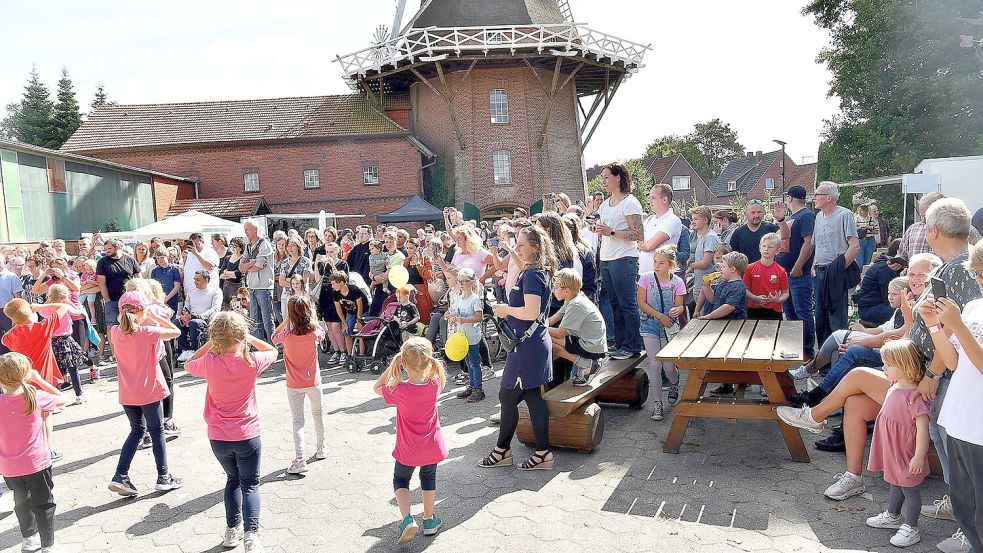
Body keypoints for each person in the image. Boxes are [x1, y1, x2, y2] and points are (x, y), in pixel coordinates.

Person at [185, 312, 278, 553]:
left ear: (215, 337)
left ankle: (230, 531)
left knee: (232, 480)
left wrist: (212, 343)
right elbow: (274, 351)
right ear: (241, 335)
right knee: (250, 484)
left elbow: (188, 363)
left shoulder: (209, 362)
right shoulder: (251, 362)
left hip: (218, 437)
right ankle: (251, 536)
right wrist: (250, 338)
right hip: (248, 434)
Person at [921, 245, 983, 553]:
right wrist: (934, 324)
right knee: (965, 506)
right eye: (976, 274)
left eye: (982, 274)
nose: (979, 281)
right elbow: (954, 361)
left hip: (980, 429)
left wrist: (956, 324)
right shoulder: (973, 307)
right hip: (959, 421)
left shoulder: (966, 314)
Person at [482, 226, 556, 471]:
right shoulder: (534, 271)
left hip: (527, 346)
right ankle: (541, 453)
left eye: (521, 244)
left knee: (508, 395)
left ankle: (504, 450)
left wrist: (505, 310)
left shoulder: (534, 275)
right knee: (531, 396)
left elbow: (531, 312)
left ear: (535, 247)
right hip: (531, 344)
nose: (517, 248)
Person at [788, 276, 912, 407]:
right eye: (889, 293)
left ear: (906, 294)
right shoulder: (899, 310)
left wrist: (862, 341)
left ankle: (817, 394)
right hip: (888, 350)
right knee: (842, 341)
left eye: (895, 294)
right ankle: (826, 395)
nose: (890, 297)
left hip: (896, 357)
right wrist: (864, 332)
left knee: (853, 350)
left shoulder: (910, 310)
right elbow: (884, 329)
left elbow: (894, 335)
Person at [107, 291, 183, 497]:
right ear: (141, 312)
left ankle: (120, 475)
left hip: (128, 393)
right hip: (149, 391)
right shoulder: (147, 331)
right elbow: (175, 331)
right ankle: (163, 476)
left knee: (136, 431)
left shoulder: (115, 332)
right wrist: (153, 315)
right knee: (157, 431)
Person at [372, 337, 448, 544]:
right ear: (429, 361)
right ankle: (429, 521)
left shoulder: (400, 390)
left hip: (408, 449)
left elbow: (377, 387)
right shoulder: (435, 384)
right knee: (428, 477)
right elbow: (434, 375)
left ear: (403, 362)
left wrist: (393, 366)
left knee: (401, 480)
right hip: (431, 446)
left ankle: (407, 520)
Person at [863, 340, 931, 548]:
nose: (883, 368)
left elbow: (922, 428)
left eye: (887, 364)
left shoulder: (914, 397)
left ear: (904, 366)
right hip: (892, 447)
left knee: (909, 488)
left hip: (905, 450)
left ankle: (912, 527)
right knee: (895, 481)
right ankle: (892, 516)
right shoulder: (895, 385)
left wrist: (919, 455)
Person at [0, 352, 65, 553]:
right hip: (37, 463)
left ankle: (29, 539)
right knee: (44, 504)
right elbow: (61, 398)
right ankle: (48, 545)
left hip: (10, 467)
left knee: (21, 502)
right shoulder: (36, 396)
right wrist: (38, 379)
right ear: (27, 374)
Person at [591, 163, 644, 360]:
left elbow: (638, 233)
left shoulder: (630, 202)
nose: (603, 181)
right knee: (614, 303)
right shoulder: (605, 204)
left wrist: (612, 232)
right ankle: (621, 343)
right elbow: (606, 230)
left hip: (624, 258)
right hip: (606, 257)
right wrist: (597, 230)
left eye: (606, 177)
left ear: (618, 178)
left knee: (627, 303)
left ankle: (632, 346)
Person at [272, 296, 327, 475]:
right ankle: (321, 448)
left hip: (294, 384)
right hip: (314, 382)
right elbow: (322, 333)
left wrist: (287, 320)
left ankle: (300, 458)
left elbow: (273, 337)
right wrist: (311, 317)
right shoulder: (314, 333)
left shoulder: (286, 337)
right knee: (318, 414)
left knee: (298, 421)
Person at [636, 245, 684, 421]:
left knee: (669, 367)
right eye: (655, 261)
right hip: (649, 325)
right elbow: (641, 302)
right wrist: (659, 316)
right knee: (654, 365)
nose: (656, 265)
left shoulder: (677, 282)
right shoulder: (646, 279)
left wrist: (677, 310)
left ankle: (674, 383)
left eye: (661, 263)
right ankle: (657, 403)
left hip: (669, 327)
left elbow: (680, 305)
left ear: (670, 264)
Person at [812, 182, 861, 347]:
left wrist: (838, 269)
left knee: (836, 316)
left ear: (828, 197)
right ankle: (824, 362)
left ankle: (839, 361)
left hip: (835, 271)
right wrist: (813, 265)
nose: (814, 198)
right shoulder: (818, 217)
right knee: (820, 316)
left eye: (817, 194)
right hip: (819, 272)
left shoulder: (844, 215)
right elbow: (817, 244)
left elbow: (854, 246)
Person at [548, 268, 607, 387]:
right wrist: (534, 323)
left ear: (566, 291)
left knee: (548, 340)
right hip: (591, 342)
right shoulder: (573, 298)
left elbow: (559, 333)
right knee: (549, 341)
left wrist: (537, 328)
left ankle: (586, 364)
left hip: (592, 346)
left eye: (556, 287)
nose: (553, 290)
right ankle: (585, 364)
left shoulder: (576, 305)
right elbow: (552, 320)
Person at [778, 185, 817, 359]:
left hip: (798, 274)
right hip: (786, 273)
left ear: (790, 198)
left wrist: (799, 266)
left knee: (803, 312)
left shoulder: (806, 215)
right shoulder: (792, 217)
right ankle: (796, 347)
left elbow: (809, 242)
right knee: (791, 312)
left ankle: (807, 351)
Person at [36, 285, 87, 405]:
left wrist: (48, 301)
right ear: (64, 297)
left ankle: (56, 398)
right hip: (66, 340)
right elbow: (78, 312)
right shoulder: (65, 308)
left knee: (57, 371)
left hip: (52, 342)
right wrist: (69, 302)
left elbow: (41, 311)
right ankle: (79, 394)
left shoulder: (47, 310)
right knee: (73, 368)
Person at [448, 268, 485, 403]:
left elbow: (479, 317)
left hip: (472, 336)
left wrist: (465, 320)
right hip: (463, 337)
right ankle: (472, 385)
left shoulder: (474, 299)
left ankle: (478, 388)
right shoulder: (460, 298)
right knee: (468, 363)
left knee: (474, 363)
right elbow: (456, 312)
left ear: (471, 282)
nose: (461, 284)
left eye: (464, 281)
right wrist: (451, 316)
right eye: (459, 281)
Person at [239, 220, 276, 343]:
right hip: (252, 287)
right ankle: (259, 346)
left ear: (255, 229)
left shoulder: (264, 244)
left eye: (247, 229)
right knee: (254, 320)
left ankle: (272, 345)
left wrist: (250, 265)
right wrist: (252, 263)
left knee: (267, 319)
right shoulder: (249, 246)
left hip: (263, 287)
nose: (246, 232)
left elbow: (259, 266)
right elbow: (241, 267)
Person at [312, 242, 349, 364]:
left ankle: (344, 352)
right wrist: (317, 264)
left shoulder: (342, 264)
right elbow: (318, 280)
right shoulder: (324, 264)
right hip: (325, 296)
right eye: (327, 252)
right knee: (329, 327)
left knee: (336, 327)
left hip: (337, 297)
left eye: (331, 252)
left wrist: (333, 266)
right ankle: (336, 351)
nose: (329, 254)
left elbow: (342, 280)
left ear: (337, 251)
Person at [95, 239, 141, 336]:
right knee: (112, 327)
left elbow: (138, 278)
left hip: (129, 300)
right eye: (106, 249)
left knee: (132, 325)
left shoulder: (129, 259)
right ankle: (115, 351)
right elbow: (101, 282)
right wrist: (107, 300)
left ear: (118, 247)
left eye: (110, 248)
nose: (107, 251)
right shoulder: (102, 262)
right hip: (112, 300)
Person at [637, 184, 682, 280]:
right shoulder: (649, 219)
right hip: (643, 273)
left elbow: (649, 246)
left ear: (665, 199)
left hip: (661, 276)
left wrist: (639, 243)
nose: (650, 201)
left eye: (653, 198)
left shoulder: (672, 220)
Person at [175, 271, 223, 363]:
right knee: (177, 322)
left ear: (206, 280)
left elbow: (215, 309)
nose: (195, 282)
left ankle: (195, 351)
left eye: (197, 279)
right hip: (190, 318)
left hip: (206, 320)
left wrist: (198, 316)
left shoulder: (216, 291)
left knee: (194, 323)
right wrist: (185, 315)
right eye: (194, 279)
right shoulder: (191, 292)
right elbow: (186, 307)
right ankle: (185, 350)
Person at [856, 239, 903, 325]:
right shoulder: (886, 269)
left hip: (869, 307)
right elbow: (888, 298)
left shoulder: (882, 264)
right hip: (871, 309)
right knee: (903, 313)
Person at [743, 233, 789, 320]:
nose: (766, 249)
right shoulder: (750, 268)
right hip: (753, 309)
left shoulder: (781, 271)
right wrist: (754, 298)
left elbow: (786, 293)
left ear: (777, 250)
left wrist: (778, 299)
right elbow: (745, 289)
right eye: (764, 246)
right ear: (759, 247)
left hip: (774, 310)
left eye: (770, 247)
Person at [685, 206, 719, 309]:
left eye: (696, 219)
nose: (693, 222)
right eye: (692, 219)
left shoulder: (710, 238)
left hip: (707, 286)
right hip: (699, 284)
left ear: (705, 220)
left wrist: (689, 266)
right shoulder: (701, 236)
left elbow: (705, 263)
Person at [697, 252, 748, 321]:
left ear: (732, 269)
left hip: (734, 324)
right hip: (720, 322)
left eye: (724, 267)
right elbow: (714, 300)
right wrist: (707, 287)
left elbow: (729, 307)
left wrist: (709, 316)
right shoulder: (722, 281)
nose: (721, 269)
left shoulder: (738, 286)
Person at [331, 272, 369, 362]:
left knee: (361, 332)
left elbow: (360, 305)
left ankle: (361, 355)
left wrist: (359, 319)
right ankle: (350, 355)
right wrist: (344, 322)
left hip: (362, 311)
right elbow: (338, 309)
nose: (332, 286)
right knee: (347, 332)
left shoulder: (354, 290)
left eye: (333, 283)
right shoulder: (336, 293)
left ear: (341, 283)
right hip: (350, 312)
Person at [728, 200, 780, 264]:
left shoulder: (770, 228)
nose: (756, 215)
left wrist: (781, 220)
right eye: (753, 212)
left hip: (768, 271)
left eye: (759, 212)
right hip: (746, 272)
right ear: (745, 214)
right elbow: (732, 257)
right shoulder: (738, 233)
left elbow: (785, 236)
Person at [277, 237, 311, 322]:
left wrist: (289, 280)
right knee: (287, 321)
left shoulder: (306, 261)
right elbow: (281, 282)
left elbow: (304, 280)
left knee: (302, 320)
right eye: (288, 246)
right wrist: (295, 282)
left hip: (301, 295)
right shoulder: (284, 263)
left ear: (298, 246)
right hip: (287, 295)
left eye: (292, 245)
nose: (289, 248)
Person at [0, 254, 24, 354]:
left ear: (4, 263)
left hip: (8, 311)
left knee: (11, 335)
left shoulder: (11, 277)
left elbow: (18, 297)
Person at [150, 249, 182, 314]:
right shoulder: (154, 271)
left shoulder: (174, 269)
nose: (160, 260)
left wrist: (166, 299)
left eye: (162, 257)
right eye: (158, 258)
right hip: (159, 299)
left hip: (172, 299)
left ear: (167, 257)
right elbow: (152, 287)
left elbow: (177, 286)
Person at [219, 238, 245, 309]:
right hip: (226, 286)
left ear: (240, 248)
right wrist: (230, 273)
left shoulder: (243, 259)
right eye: (231, 246)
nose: (233, 248)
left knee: (237, 308)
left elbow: (237, 275)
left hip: (237, 287)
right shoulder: (227, 258)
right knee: (226, 308)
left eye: (235, 246)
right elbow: (221, 274)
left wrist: (226, 272)